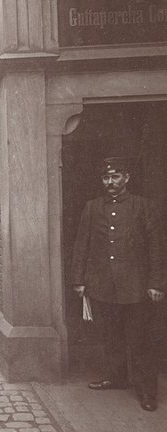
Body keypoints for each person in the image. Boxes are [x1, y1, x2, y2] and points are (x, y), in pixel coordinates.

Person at [70, 156, 165, 412]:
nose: (110, 182)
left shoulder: (143, 206)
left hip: (136, 287)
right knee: (111, 336)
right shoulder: (92, 207)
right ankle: (117, 377)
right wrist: (79, 280)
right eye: (106, 177)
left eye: (115, 177)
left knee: (140, 340)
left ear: (126, 178)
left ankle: (147, 391)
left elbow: (157, 248)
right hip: (103, 285)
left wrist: (157, 283)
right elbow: (82, 245)